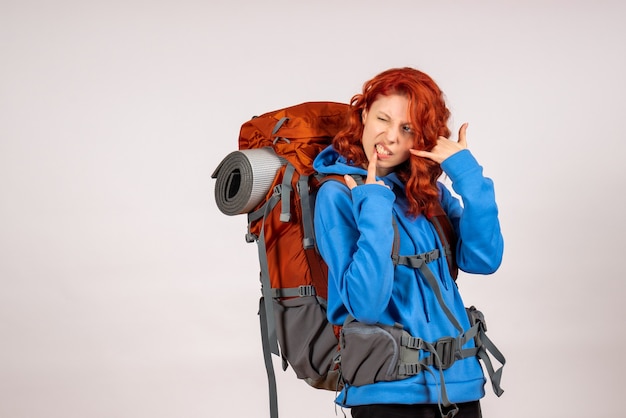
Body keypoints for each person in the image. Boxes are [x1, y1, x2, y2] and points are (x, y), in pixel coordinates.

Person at [312, 67, 504, 418]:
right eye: (382, 119)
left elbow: (484, 259)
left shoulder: (427, 191)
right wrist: (373, 203)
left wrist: (467, 174)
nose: (389, 137)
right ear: (363, 114)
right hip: (387, 392)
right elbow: (366, 305)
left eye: (407, 128)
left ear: (422, 137)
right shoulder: (337, 194)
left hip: (458, 383)